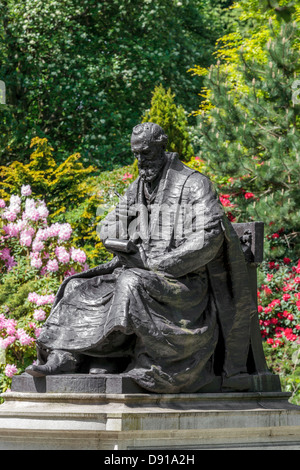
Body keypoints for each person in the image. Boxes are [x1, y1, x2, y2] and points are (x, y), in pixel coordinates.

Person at [26, 122, 256, 393]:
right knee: (78, 286)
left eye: (146, 152)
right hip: (139, 272)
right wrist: (120, 239)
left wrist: (160, 264)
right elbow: (110, 223)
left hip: (183, 284)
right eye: (136, 153)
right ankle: (68, 355)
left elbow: (209, 237)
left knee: (130, 284)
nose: (140, 160)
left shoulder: (194, 184)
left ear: (162, 146)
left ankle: (111, 357)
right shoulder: (138, 187)